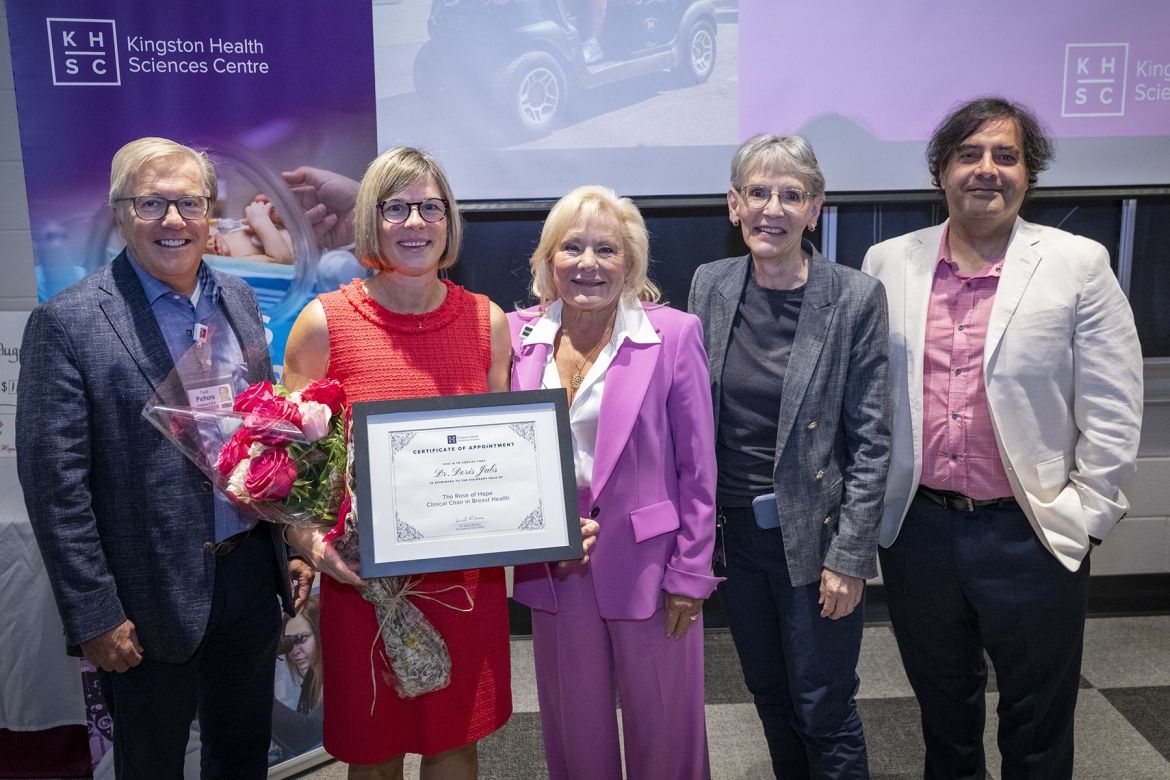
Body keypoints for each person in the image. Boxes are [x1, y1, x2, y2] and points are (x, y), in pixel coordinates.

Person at [860, 96, 1144, 778]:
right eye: (969, 155)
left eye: (1006, 156)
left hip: (1033, 534)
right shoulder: (887, 262)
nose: (986, 170)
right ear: (941, 172)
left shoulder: (1078, 263)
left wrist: (1087, 516)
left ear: (1029, 173)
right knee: (943, 718)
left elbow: (1113, 404)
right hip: (919, 534)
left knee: (1037, 722)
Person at [15, 136, 311, 778]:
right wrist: (95, 612)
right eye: (152, 203)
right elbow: (54, 484)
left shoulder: (236, 298)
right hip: (142, 603)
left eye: (189, 204)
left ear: (211, 213)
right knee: (150, 767)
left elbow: (263, 435)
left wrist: (287, 545)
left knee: (241, 760)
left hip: (249, 586)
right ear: (121, 212)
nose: (173, 222)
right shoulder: (68, 323)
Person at [280, 146, 575, 779]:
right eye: (396, 208)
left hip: (464, 581)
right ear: (371, 220)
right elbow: (290, 475)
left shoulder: (486, 323)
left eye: (430, 207)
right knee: (375, 751)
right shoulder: (322, 325)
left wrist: (548, 515)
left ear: (449, 221)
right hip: (363, 582)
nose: (415, 223)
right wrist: (309, 542)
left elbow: (505, 455)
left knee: (454, 743)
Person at [688, 134, 890, 779]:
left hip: (813, 543)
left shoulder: (854, 296)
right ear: (733, 204)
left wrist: (850, 559)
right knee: (769, 695)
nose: (771, 208)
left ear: (815, 208)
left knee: (823, 706)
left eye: (790, 195)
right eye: (757, 192)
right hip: (735, 540)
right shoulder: (711, 285)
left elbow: (871, 437)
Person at [510, 184, 720, 779]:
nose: (588, 264)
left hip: (654, 570)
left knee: (667, 738)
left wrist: (691, 575)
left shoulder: (674, 335)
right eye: (571, 247)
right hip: (556, 568)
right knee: (578, 743)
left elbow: (698, 469)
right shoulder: (515, 336)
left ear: (630, 263)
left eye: (606, 249)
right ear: (548, 260)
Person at [271, 595, 324, 758]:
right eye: (290, 643)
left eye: (301, 639)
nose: (294, 651)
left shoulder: (339, 678)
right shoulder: (311, 681)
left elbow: (310, 736)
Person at [206, 194, 293, 264]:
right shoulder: (235, 262)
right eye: (202, 257)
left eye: (195, 239)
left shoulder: (230, 235)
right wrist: (261, 221)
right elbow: (281, 259)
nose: (207, 245)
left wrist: (275, 219)